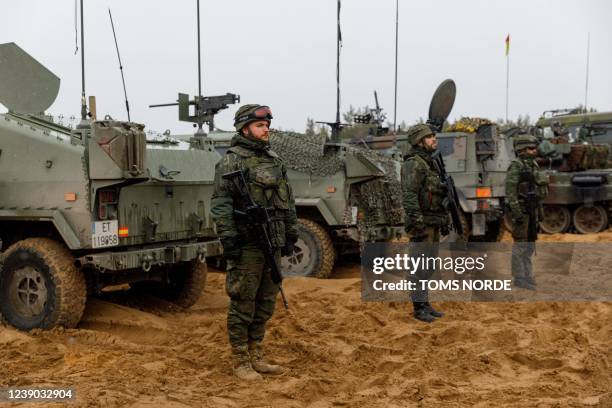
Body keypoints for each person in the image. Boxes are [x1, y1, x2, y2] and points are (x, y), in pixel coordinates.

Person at [211, 104, 298, 381]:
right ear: (245, 128)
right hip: (247, 244)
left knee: (265, 301)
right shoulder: (232, 160)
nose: (266, 130)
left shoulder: (274, 159)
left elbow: (288, 200)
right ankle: (240, 360)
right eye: (260, 126)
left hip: (272, 240)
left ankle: (256, 354)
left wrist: (290, 233)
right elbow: (221, 204)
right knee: (243, 301)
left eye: (267, 126)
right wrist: (229, 238)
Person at [401, 124, 450, 323]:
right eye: (429, 137)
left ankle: (425, 303)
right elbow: (410, 197)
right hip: (422, 224)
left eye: (433, 136)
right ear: (419, 141)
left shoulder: (430, 163)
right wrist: (418, 225)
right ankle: (418, 307)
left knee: (428, 266)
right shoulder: (414, 164)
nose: (434, 140)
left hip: (433, 222)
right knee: (418, 267)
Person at [505, 134, 548, 290]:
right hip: (522, 212)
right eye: (530, 148)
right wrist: (517, 214)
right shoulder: (516, 166)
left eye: (534, 148)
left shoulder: (533, 165)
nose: (534, 151)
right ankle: (519, 277)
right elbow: (510, 192)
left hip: (532, 210)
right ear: (521, 149)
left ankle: (527, 275)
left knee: (529, 246)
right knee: (520, 246)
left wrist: (539, 211)